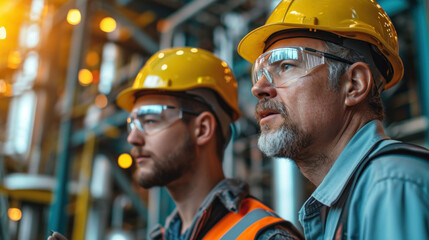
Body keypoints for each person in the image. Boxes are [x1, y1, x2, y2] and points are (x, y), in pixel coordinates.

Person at [49, 47, 303, 240]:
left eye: (150, 120)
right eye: (132, 123)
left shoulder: (262, 235)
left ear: (202, 128)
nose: (133, 137)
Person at [237, 0, 429, 239]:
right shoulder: (343, 203)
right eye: (261, 73)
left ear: (354, 85)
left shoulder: (390, 185)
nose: (258, 88)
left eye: (286, 65)